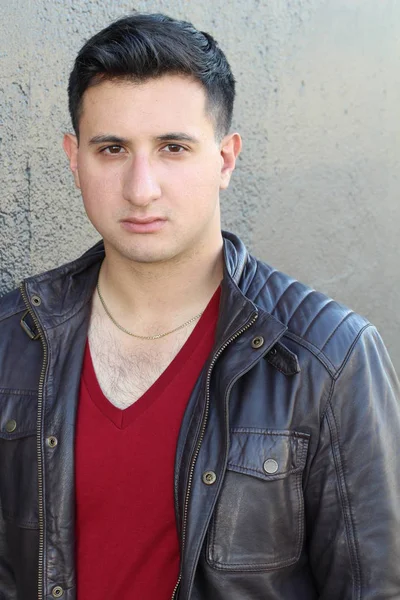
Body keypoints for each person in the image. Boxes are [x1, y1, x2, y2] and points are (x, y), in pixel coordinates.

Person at [0, 12, 399, 600]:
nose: (141, 187)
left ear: (225, 159)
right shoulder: (12, 339)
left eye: (173, 148)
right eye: (112, 149)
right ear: (73, 158)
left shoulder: (329, 359)